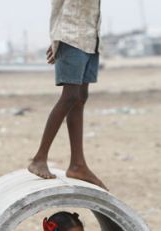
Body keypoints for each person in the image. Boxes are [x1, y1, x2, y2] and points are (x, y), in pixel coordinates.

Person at [28, 0, 107, 189]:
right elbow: (58, 6)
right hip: (71, 37)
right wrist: (57, 38)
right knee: (70, 96)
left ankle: (78, 164)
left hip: (91, 38)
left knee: (80, 98)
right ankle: (39, 158)